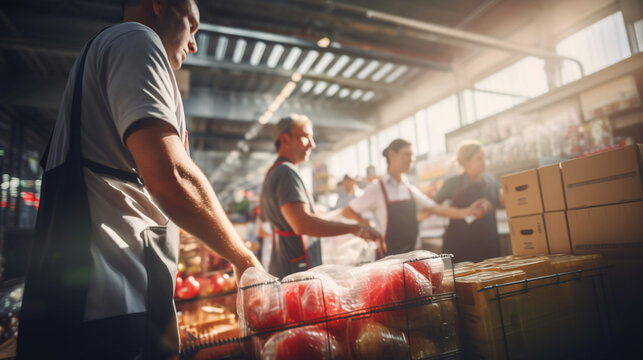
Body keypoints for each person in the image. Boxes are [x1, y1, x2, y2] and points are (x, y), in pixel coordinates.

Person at [17, 1, 262, 359]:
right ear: (159, 4)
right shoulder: (136, 39)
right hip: (111, 306)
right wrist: (245, 261)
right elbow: (172, 176)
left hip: (83, 308)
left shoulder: (99, 54)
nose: (194, 44)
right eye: (192, 25)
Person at [260, 114, 385, 278]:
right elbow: (302, 224)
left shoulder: (275, 172)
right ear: (285, 140)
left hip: (286, 265)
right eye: (305, 137)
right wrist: (355, 229)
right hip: (296, 271)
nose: (312, 144)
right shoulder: (286, 172)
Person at [342, 139, 487, 256]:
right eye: (407, 154)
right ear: (392, 155)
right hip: (388, 259)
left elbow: (435, 208)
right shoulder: (377, 189)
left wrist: (468, 212)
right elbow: (348, 211)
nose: (411, 159)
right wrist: (368, 228)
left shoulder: (409, 188)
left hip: (412, 255)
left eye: (412, 156)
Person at [433, 140, 503, 262]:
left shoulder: (492, 181)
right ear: (466, 162)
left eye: (484, 157)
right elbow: (432, 207)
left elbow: (502, 204)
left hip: (489, 247)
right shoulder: (453, 183)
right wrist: (463, 212)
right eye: (479, 158)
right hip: (460, 249)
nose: (484, 161)